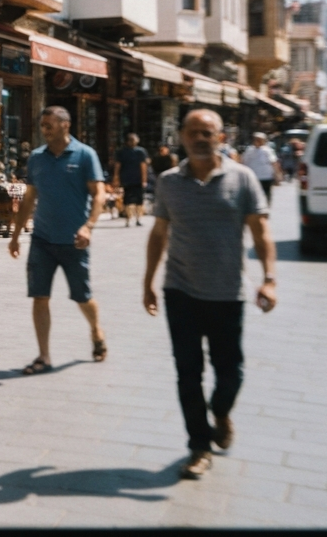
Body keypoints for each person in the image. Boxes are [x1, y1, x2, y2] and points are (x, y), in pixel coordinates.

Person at [143, 109, 277, 480]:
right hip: (180, 291)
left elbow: (261, 232)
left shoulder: (243, 178)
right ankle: (198, 446)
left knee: (230, 371)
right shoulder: (169, 182)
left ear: (221, 137)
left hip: (227, 293)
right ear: (182, 137)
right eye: (194, 132)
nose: (201, 138)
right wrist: (148, 282)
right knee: (188, 373)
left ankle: (220, 411)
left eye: (208, 133)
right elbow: (158, 234)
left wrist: (269, 279)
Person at [8, 106, 108, 373]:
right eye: (42, 125)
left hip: (74, 241)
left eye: (49, 125)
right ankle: (44, 356)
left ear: (66, 125)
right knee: (40, 297)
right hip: (42, 239)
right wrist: (16, 235)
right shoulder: (37, 158)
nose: (44, 130)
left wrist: (89, 226)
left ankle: (96, 331)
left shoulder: (85, 155)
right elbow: (29, 198)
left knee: (81, 296)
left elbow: (99, 195)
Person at [111, 133, 150, 227]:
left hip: (134, 178)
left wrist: (144, 179)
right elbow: (118, 166)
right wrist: (116, 178)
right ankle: (129, 218)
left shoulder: (140, 151)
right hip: (129, 179)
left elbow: (143, 166)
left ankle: (137, 218)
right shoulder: (124, 152)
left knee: (137, 200)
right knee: (129, 199)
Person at [241, 131, 283, 204]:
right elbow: (243, 162)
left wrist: (277, 175)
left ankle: (266, 209)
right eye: (256, 139)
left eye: (259, 139)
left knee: (266, 195)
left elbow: (274, 163)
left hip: (266, 177)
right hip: (253, 177)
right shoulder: (249, 150)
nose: (257, 141)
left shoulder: (268, 150)